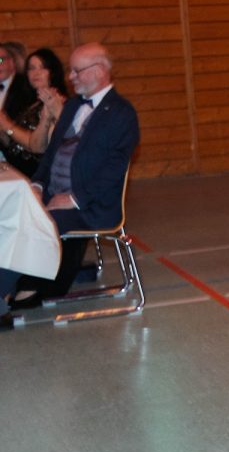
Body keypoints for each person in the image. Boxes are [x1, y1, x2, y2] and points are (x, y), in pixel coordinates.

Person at [0, 43, 139, 326]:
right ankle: (14, 289)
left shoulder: (122, 113)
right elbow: (50, 154)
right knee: (10, 212)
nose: (71, 77)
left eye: (77, 71)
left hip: (91, 206)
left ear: (98, 71)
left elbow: (112, 172)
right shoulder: (74, 105)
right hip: (55, 193)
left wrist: (75, 198)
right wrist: (38, 186)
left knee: (32, 223)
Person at [0, 48, 68, 177]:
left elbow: (38, 147)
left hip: (40, 176)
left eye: (42, 67)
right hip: (19, 171)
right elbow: (15, 144)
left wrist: (7, 125)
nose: (36, 73)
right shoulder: (33, 103)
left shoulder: (58, 103)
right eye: (31, 68)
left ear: (53, 72)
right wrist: (3, 129)